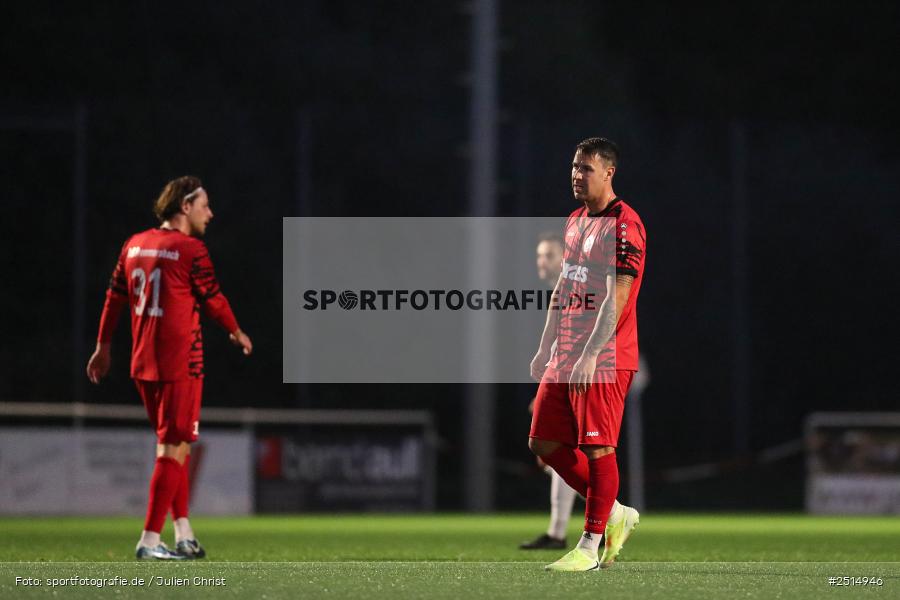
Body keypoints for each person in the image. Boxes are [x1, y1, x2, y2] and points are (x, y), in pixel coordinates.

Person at [86, 176, 252, 560]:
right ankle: (148, 540)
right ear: (184, 206)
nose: (210, 213)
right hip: (180, 364)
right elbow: (212, 299)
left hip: (143, 364)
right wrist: (236, 331)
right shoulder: (191, 249)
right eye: (204, 205)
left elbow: (114, 299)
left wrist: (102, 348)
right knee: (173, 449)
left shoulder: (134, 244)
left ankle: (183, 532)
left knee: (175, 449)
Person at [529, 137, 646, 571]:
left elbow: (617, 295)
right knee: (543, 441)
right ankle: (615, 512)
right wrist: (546, 346)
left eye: (587, 168)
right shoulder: (576, 221)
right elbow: (564, 287)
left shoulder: (625, 225)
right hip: (566, 354)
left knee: (598, 449)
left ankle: (589, 546)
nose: (577, 175)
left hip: (605, 356)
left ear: (609, 172)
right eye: (574, 167)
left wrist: (592, 353)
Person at [519, 232, 579, 550]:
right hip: (565, 378)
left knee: (562, 453)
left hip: (584, 379)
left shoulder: (579, 286)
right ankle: (557, 532)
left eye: (549, 255)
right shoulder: (558, 293)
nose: (542, 261)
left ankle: (613, 513)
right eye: (540, 255)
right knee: (560, 456)